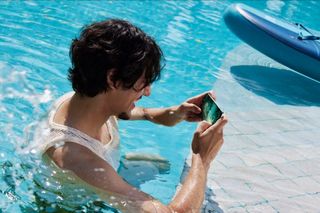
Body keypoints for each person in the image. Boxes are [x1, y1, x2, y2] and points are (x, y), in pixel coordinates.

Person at [40, 19, 228, 212]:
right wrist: (202, 159)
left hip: (105, 173)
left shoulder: (88, 102)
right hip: (78, 205)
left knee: (162, 165)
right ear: (113, 79)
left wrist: (178, 112)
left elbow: (145, 113)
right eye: (144, 82)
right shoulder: (77, 159)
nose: (147, 92)